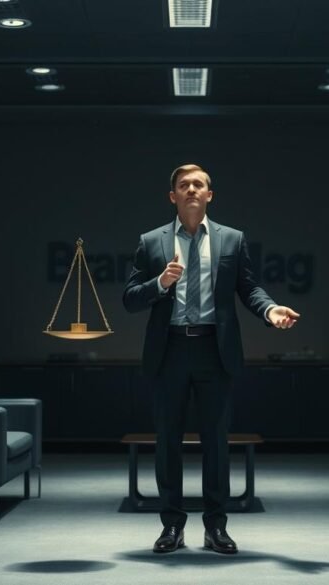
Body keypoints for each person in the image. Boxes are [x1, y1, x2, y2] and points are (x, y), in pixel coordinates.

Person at [123, 163, 301, 555]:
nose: (191, 190)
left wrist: (271, 311)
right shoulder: (151, 241)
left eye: (198, 184)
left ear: (210, 195)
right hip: (168, 349)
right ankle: (171, 527)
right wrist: (160, 283)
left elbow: (249, 288)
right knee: (167, 442)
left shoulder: (232, 240)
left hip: (213, 350)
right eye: (183, 185)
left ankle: (215, 527)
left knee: (216, 445)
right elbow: (130, 298)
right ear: (172, 196)